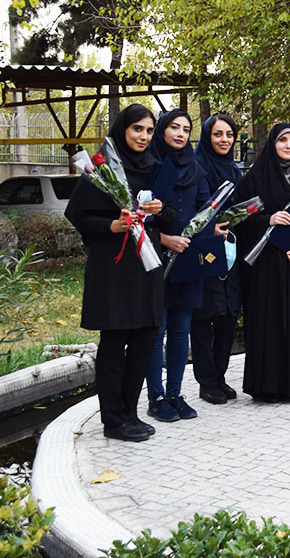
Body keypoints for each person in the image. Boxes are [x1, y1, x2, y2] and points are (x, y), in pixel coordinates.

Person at [65, 104, 175, 442]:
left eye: (149, 130)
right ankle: (113, 420)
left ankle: (130, 413)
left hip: (146, 266)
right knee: (115, 343)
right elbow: (78, 215)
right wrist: (111, 225)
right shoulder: (103, 170)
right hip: (113, 268)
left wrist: (161, 210)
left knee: (144, 341)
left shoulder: (155, 168)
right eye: (137, 129)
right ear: (122, 129)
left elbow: (172, 217)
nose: (144, 136)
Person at [235, 123, 290, 402]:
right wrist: (268, 219)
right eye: (282, 140)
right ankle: (267, 387)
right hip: (266, 267)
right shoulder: (255, 178)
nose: (288, 146)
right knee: (268, 324)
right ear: (272, 143)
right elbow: (240, 220)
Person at [146, 109, 211, 422]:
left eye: (186, 129)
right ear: (162, 130)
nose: (180, 134)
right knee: (156, 330)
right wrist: (163, 239)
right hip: (154, 258)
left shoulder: (195, 169)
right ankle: (156, 397)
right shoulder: (150, 165)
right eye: (174, 127)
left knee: (181, 329)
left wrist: (207, 232)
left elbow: (205, 209)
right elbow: (139, 214)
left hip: (187, 258)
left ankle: (175, 393)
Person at [191, 114, 242, 405]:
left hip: (231, 250)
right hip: (204, 250)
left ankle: (220, 376)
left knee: (227, 314)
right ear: (207, 137)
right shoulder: (196, 167)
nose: (224, 140)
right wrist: (209, 228)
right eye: (218, 134)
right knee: (204, 316)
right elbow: (191, 209)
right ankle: (206, 381)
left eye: (229, 135)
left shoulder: (234, 170)